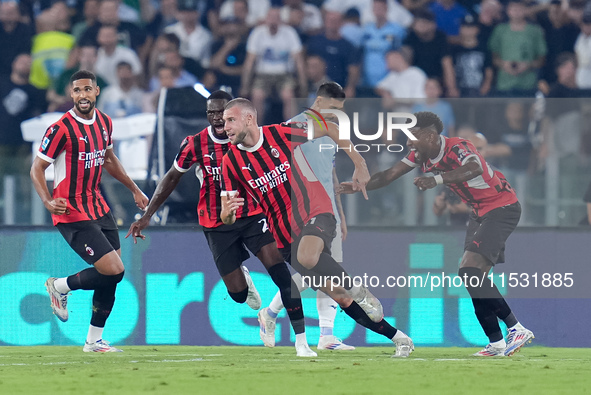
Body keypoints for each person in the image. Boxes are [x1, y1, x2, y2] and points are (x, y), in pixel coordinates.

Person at [220, 97, 415, 357]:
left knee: (309, 257)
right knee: (341, 298)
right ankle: (399, 338)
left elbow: (330, 128)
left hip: (315, 210)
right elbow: (227, 215)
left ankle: (359, 289)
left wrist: (360, 162)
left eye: (230, 120)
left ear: (248, 118)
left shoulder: (281, 133)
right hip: (283, 233)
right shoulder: (230, 162)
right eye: (223, 122)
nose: (225, 127)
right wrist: (227, 213)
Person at [126, 91, 316, 357]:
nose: (217, 118)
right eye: (211, 113)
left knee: (282, 275)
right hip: (216, 223)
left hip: (252, 215)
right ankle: (245, 281)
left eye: (221, 113)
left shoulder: (243, 136)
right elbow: (171, 177)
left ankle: (301, 342)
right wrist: (147, 215)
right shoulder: (195, 143)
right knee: (238, 295)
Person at [340, 111, 534, 357]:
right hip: (480, 213)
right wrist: (361, 186)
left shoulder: (458, 146)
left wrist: (437, 180)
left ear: (430, 136)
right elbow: (390, 174)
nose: (409, 143)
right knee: (472, 276)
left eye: (413, 137)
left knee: (470, 271)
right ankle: (496, 342)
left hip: (501, 207)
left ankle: (516, 328)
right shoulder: (420, 154)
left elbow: (474, 168)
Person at [30, 70, 149, 352]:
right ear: (71, 95)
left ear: (96, 92)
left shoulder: (105, 122)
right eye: (77, 90)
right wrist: (48, 201)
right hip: (70, 210)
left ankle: (93, 341)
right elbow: (37, 168)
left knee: (112, 275)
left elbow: (108, 159)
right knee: (114, 270)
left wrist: (133, 188)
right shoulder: (61, 128)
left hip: (97, 205)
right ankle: (59, 286)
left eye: (87, 89)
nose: (82, 95)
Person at [260, 82, 354, 351]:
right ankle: (270, 312)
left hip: (329, 212)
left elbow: (331, 173)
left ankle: (326, 335)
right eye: (335, 109)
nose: (338, 115)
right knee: (315, 272)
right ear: (320, 101)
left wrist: (341, 213)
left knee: (330, 271)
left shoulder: (331, 134)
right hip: (304, 211)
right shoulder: (292, 128)